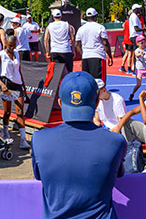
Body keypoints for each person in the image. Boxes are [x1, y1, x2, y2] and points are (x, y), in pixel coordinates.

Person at [31, 71, 126, 218]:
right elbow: (118, 174)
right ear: (96, 103)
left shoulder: (38, 139)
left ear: (60, 103)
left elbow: (40, 176)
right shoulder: (116, 141)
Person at [0, 34, 30, 148]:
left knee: (20, 112)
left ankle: (23, 140)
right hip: (6, 84)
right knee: (7, 112)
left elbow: (19, 71)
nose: (12, 48)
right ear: (6, 44)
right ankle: (5, 133)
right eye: (10, 46)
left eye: (14, 46)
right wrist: (2, 85)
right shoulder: (1, 55)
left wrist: (23, 86)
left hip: (18, 84)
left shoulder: (17, 53)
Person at [75, 7, 113, 82]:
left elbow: (76, 45)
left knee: (87, 82)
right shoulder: (100, 27)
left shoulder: (81, 28)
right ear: (95, 16)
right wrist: (110, 56)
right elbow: (105, 43)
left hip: (86, 57)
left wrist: (83, 55)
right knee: (100, 83)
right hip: (98, 56)